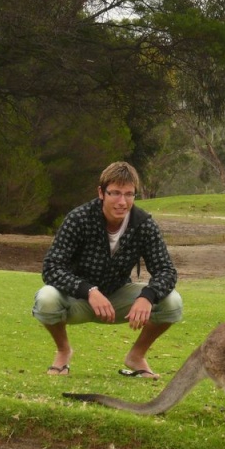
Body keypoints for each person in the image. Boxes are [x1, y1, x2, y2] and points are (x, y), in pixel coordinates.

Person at [32, 161, 182, 379]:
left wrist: (148, 296)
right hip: (78, 298)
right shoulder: (79, 218)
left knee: (172, 302)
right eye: (115, 193)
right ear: (101, 192)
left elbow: (166, 270)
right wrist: (89, 291)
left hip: (118, 296)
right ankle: (63, 351)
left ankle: (136, 356)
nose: (122, 202)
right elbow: (52, 267)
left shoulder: (144, 224)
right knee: (46, 299)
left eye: (129, 194)